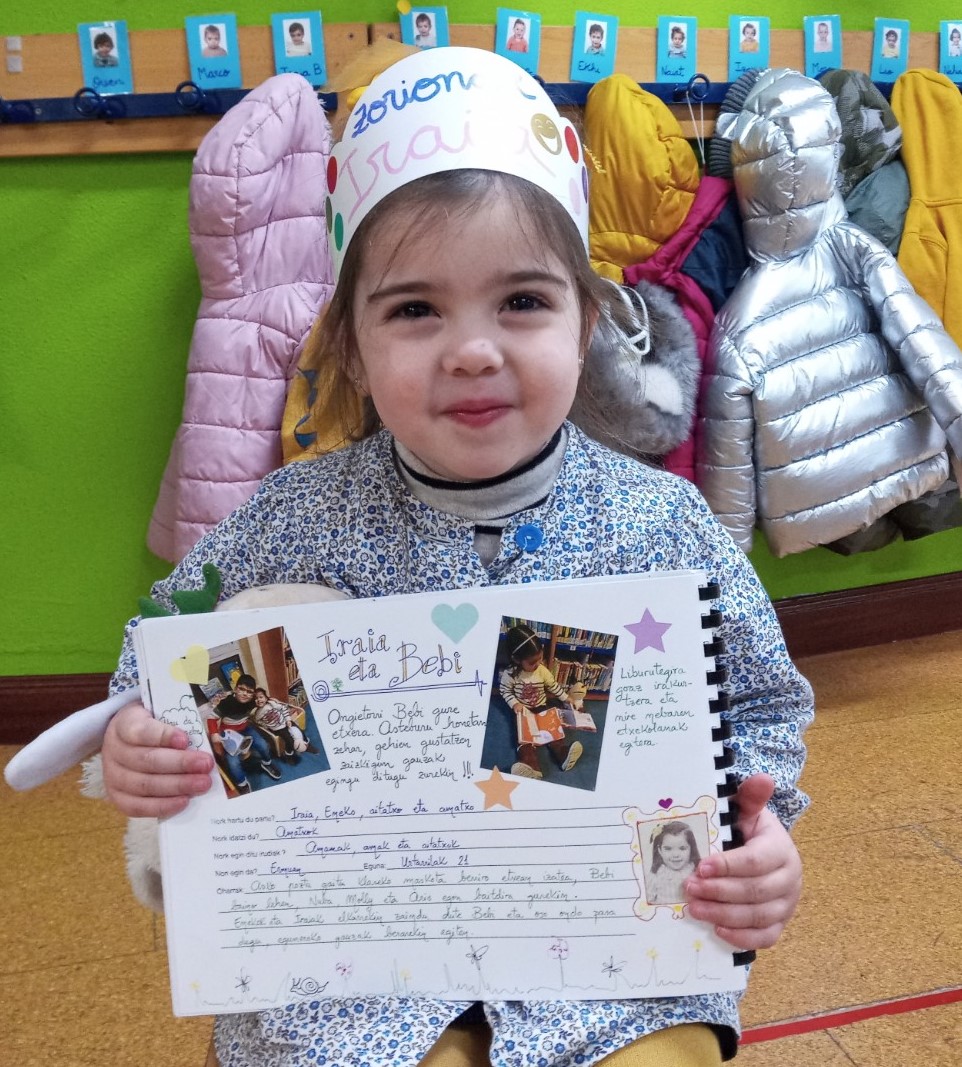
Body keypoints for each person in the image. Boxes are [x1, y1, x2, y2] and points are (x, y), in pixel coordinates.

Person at [99, 46, 812, 1067]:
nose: (472, 350)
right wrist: (141, 730)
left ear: (587, 321)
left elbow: (758, 708)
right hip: (354, 974)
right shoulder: (291, 520)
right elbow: (167, 651)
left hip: (608, 965)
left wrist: (757, 840)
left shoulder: (661, 527)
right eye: (414, 309)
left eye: (521, 301)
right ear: (348, 346)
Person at [499, 624, 583, 779]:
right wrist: (514, 703)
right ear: (517, 659)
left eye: (540, 659)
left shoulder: (542, 670)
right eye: (532, 662)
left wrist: (566, 698)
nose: (538, 664)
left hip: (541, 706)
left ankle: (563, 754)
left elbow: (553, 686)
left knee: (553, 729)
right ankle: (530, 765)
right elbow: (505, 691)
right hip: (523, 710)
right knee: (524, 737)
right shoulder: (510, 674)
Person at [208, 674, 281, 791]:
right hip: (228, 732)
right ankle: (242, 783)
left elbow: (263, 699)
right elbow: (211, 717)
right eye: (241, 689)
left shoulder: (253, 700)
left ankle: (267, 763)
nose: (245, 694)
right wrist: (214, 733)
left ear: (253, 694)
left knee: (263, 744)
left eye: (249, 692)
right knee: (233, 762)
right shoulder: (226, 703)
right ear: (235, 689)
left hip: (245, 728)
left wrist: (271, 700)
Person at [648, 820, 703, 904]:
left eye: (682, 848)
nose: (675, 855)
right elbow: (649, 901)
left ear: (691, 849)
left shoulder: (697, 872)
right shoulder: (656, 875)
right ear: (660, 850)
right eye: (668, 849)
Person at [251, 686, 307, 760]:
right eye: (256, 699)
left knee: (299, 730)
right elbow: (257, 721)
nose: (258, 700)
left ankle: (305, 742)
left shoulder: (271, 703)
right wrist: (266, 726)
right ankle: (289, 754)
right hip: (278, 729)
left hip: (285, 721)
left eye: (261, 697)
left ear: (266, 698)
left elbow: (283, 708)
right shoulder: (258, 713)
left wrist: (288, 720)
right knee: (289, 740)